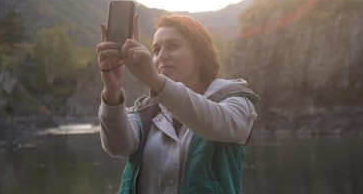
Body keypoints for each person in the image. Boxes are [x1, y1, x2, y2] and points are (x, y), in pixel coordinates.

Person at [96, 13, 260, 194]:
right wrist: (112, 90)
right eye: (156, 50)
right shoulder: (144, 110)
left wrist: (153, 80)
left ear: (199, 55)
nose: (162, 56)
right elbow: (117, 147)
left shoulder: (236, 101)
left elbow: (214, 122)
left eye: (173, 46)